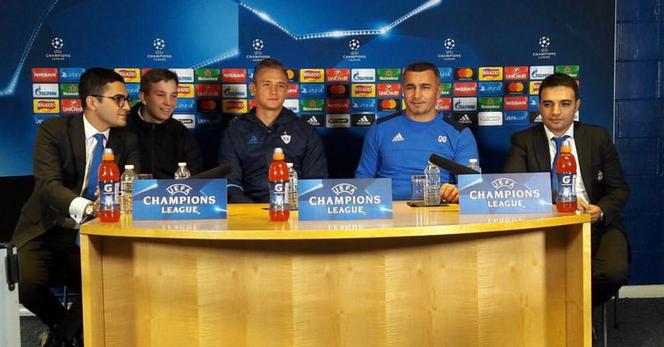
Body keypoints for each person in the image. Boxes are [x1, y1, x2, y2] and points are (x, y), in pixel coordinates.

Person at [13, 68, 140, 346]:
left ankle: (59, 339)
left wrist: (113, 202)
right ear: (92, 102)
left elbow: (132, 188)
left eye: (126, 99)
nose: (126, 107)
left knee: (111, 278)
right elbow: (47, 185)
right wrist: (87, 207)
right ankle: (69, 330)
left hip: (97, 234)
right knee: (25, 284)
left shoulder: (127, 140)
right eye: (118, 99)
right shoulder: (54, 130)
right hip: (47, 228)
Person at [503, 72, 629, 307]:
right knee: (520, 272)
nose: (556, 112)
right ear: (539, 106)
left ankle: (575, 314)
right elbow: (513, 190)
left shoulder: (597, 137)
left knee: (614, 272)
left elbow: (620, 190)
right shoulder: (523, 140)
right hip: (543, 226)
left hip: (595, 223)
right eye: (548, 104)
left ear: (577, 106)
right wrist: (553, 207)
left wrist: (599, 210)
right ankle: (559, 320)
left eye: (565, 104)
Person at [355, 61, 479, 202]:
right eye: (410, 87)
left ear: (438, 91)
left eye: (425, 87)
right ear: (403, 91)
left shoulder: (460, 134)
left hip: (439, 214)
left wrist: (455, 192)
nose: (416, 95)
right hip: (388, 214)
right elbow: (363, 181)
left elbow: (471, 187)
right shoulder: (380, 128)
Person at [219, 58, 328, 202]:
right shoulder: (234, 132)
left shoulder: (306, 132)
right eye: (266, 84)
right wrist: (254, 214)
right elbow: (230, 184)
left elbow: (315, 183)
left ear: (287, 90)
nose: (274, 91)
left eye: (280, 85)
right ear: (253, 89)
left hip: (295, 214)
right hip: (249, 217)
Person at [125, 68, 203, 178]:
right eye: (160, 95)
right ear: (143, 97)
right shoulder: (122, 127)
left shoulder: (181, 133)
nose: (169, 103)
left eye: (173, 96)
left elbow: (197, 179)